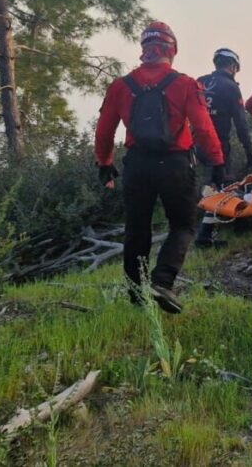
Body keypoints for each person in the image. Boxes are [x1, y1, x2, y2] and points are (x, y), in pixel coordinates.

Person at [94, 21, 225, 314]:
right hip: (175, 164)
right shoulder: (185, 84)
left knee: (136, 228)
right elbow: (204, 129)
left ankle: (136, 294)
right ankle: (162, 282)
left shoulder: (120, 86)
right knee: (183, 224)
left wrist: (104, 162)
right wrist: (216, 162)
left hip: (137, 164)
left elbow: (103, 132)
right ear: (172, 50)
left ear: (144, 50)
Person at [194, 48, 252, 247]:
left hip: (194, 144)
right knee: (224, 185)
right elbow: (241, 124)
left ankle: (206, 231)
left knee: (213, 184)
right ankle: (206, 236)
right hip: (218, 145)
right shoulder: (230, 87)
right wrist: (250, 154)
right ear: (233, 66)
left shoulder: (200, 81)